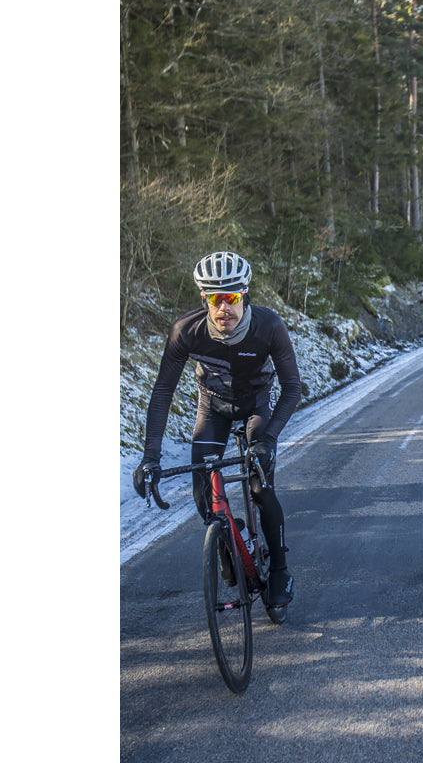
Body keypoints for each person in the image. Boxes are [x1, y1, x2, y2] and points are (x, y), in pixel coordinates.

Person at [132, 251, 302, 608]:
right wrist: (150, 456)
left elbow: (292, 388)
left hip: (257, 405)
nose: (223, 307)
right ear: (205, 300)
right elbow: (163, 391)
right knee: (205, 496)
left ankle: (281, 570)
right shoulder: (186, 332)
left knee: (260, 485)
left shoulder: (269, 326)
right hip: (214, 406)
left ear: (245, 296)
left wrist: (268, 440)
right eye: (214, 298)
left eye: (231, 298)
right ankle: (228, 538)